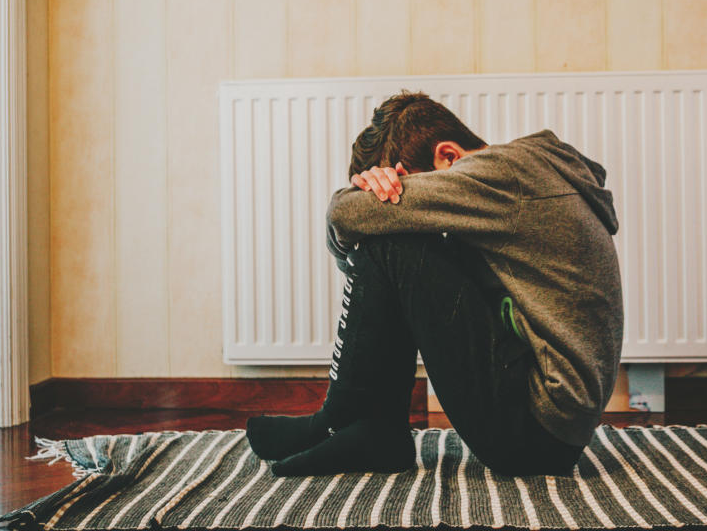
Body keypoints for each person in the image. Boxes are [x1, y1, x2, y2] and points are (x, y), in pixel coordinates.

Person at [246, 91, 623, 477]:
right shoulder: (525, 173)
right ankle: (363, 426)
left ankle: (347, 423)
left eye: (409, 185)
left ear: (448, 157)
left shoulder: (504, 174)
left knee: (393, 239)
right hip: (551, 427)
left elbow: (346, 213)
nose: (411, 198)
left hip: (535, 433)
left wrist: (363, 207)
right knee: (397, 236)